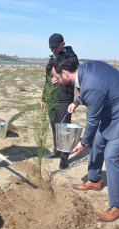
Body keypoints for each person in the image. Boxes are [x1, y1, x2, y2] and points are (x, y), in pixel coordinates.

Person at [52, 53, 119, 222]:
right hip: (114, 109)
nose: (56, 80)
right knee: (98, 142)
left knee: (111, 156)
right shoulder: (86, 69)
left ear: (65, 73)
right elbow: (95, 89)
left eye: (57, 77)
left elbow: (92, 120)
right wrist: (78, 101)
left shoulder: (91, 86)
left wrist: (82, 143)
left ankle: (118, 206)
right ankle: (94, 180)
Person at [41, 33, 78, 169]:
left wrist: (61, 76)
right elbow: (47, 80)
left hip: (64, 98)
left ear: (63, 44)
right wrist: (44, 98)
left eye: (55, 47)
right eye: (51, 48)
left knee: (64, 129)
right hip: (51, 98)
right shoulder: (52, 59)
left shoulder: (71, 57)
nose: (53, 50)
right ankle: (57, 150)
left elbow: (72, 74)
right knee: (54, 127)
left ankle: (64, 157)